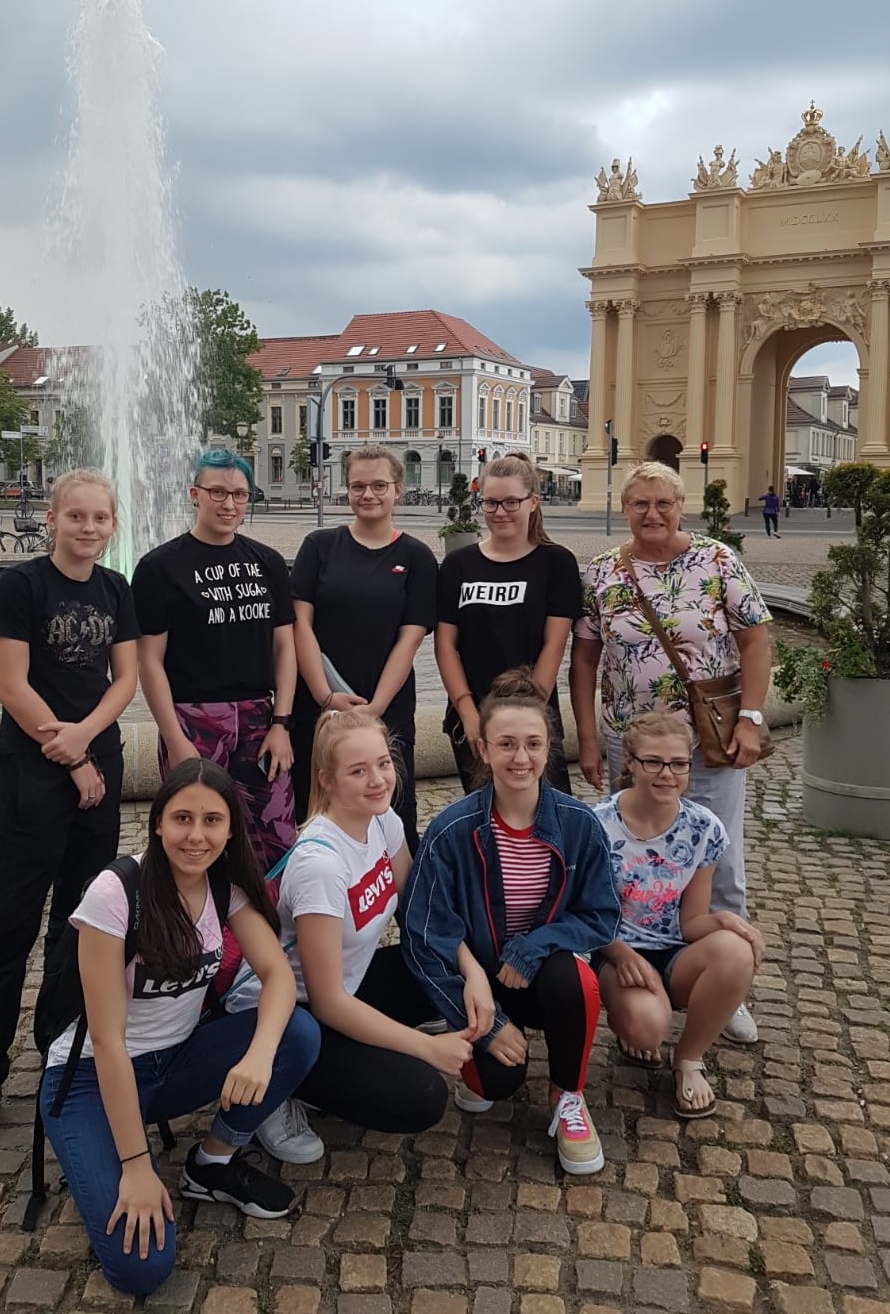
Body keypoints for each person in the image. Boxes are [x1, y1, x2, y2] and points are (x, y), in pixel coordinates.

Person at [41, 759, 320, 1297]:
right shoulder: (115, 893)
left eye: (212, 821)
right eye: (182, 819)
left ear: (231, 829)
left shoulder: (225, 891)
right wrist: (137, 1166)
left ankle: (210, 1164)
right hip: (89, 1078)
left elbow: (278, 976)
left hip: (174, 1062)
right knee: (142, 1268)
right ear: (158, 824)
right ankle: (100, 1154)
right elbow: (106, 1040)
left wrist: (260, 1052)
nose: (196, 836)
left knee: (296, 1035)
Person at [0, 471, 139, 1152]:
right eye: (76, 516)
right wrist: (74, 753)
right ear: (52, 518)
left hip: (97, 765)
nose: (89, 528)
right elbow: (12, 685)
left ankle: (58, 1046)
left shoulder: (116, 588)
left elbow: (127, 680)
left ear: (112, 524)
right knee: (8, 927)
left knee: (79, 924)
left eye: (100, 518)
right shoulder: (21, 586)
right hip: (36, 771)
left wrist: (88, 738)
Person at [570, 461, 772, 1045]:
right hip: (628, 741)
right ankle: (626, 966)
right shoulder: (604, 572)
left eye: (663, 504)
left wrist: (752, 719)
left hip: (705, 741)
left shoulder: (716, 561)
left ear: (680, 507)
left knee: (720, 857)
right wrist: (587, 734)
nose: (652, 514)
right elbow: (584, 659)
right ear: (625, 508)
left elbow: (755, 639)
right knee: (625, 853)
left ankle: (725, 985)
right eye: (640, 504)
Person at [401, 669, 620, 1175]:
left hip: (543, 975)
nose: (520, 758)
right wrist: (492, 1021)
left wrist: (538, 944)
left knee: (577, 980)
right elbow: (422, 934)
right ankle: (495, 1045)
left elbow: (602, 916)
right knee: (494, 1088)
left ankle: (569, 1095)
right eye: (506, 744)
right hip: (481, 985)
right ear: (483, 748)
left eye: (533, 744)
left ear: (549, 747)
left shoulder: (578, 824)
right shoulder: (452, 830)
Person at [228, 709, 471, 1144]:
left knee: (444, 972)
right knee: (423, 1095)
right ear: (327, 780)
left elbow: (419, 916)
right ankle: (283, 1086)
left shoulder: (382, 819)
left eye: (383, 763)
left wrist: (470, 975)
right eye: (358, 771)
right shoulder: (319, 865)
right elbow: (328, 1003)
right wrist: (425, 1048)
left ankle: (353, 1059)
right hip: (290, 1013)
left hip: (348, 986)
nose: (378, 780)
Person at [131, 448, 297, 869]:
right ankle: (196, 928)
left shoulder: (268, 562)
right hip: (193, 716)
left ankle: (268, 926)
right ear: (195, 494)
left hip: (260, 715)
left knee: (276, 835)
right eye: (217, 492)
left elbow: (284, 646)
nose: (229, 504)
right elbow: (149, 661)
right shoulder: (160, 567)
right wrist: (174, 738)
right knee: (196, 838)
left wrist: (282, 722)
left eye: (240, 495)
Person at [593, 713, 764, 1119]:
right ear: (630, 763)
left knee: (737, 951)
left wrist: (728, 923)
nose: (666, 774)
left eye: (678, 764)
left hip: (672, 950)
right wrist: (621, 955)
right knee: (647, 1027)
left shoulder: (702, 827)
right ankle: (631, 1020)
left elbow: (691, 922)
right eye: (653, 762)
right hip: (612, 948)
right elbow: (584, 915)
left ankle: (688, 1058)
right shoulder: (596, 824)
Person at [291, 445, 438, 851]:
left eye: (379, 485)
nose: (368, 494)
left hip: (386, 707)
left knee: (393, 817)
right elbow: (299, 624)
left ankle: (402, 905)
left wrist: (374, 709)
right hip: (319, 705)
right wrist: (324, 695)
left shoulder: (416, 556)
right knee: (315, 809)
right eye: (358, 486)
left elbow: (410, 640)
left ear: (398, 490)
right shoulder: (319, 546)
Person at [436, 453, 582, 793]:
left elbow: (554, 645)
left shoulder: (556, 562)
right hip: (471, 715)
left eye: (511, 502)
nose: (500, 512)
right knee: (483, 820)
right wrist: (470, 717)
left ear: (532, 502)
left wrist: (527, 716)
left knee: (543, 816)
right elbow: (445, 646)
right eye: (490, 503)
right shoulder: (459, 564)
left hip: (534, 716)